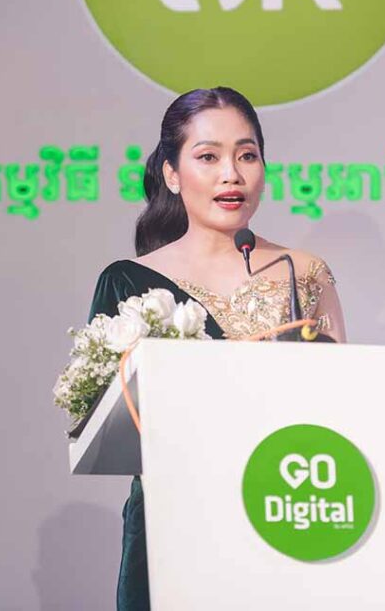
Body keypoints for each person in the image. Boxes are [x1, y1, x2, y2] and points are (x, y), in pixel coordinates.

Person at [84, 86, 346, 610]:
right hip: (171, 528)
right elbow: (103, 422)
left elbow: (343, 407)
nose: (232, 174)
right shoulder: (128, 283)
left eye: (247, 155)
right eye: (208, 157)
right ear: (172, 174)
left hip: (284, 511)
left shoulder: (302, 272)